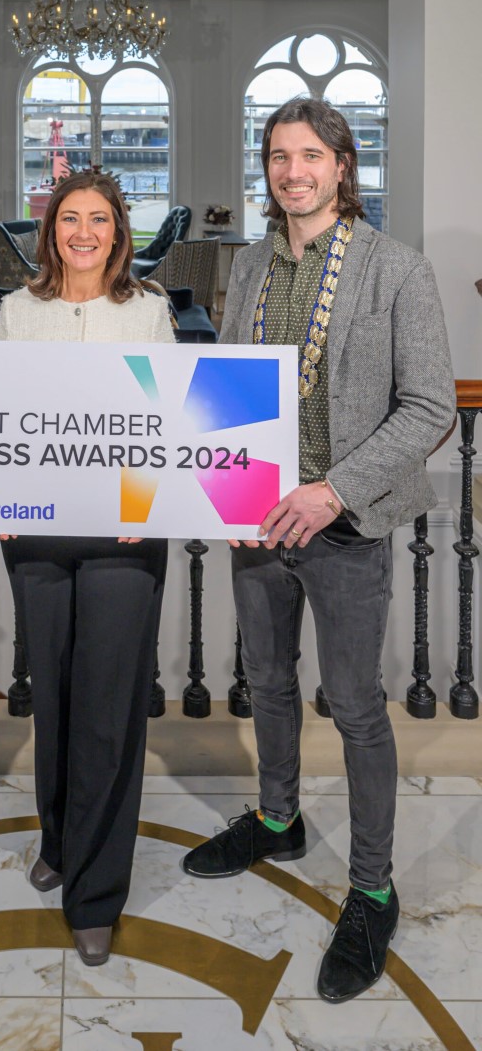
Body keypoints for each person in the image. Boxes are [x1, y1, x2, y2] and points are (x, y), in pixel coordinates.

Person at [182, 98, 455, 1003]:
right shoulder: (252, 266)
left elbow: (430, 407)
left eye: (309, 155)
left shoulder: (398, 271)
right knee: (264, 680)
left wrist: (331, 488)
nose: (291, 171)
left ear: (343, 165)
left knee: (354, 705)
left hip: (344, 523)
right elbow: (225, 384)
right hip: (259, 519)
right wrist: (215, 485)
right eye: (276, 155)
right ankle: (278, 817)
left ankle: (372, 888)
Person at [0, 169, 175, 967]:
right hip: (36, 535)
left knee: (107, 708)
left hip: (124, 537)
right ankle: (61, 840)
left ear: (119, 231)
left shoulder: (150, 310)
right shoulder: (15, 312)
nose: (84, 232)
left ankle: (95, 892)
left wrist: (148, 505)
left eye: (100, 218)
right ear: (51, 229)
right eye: (71, 218)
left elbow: (169, 423)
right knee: (56, 700)